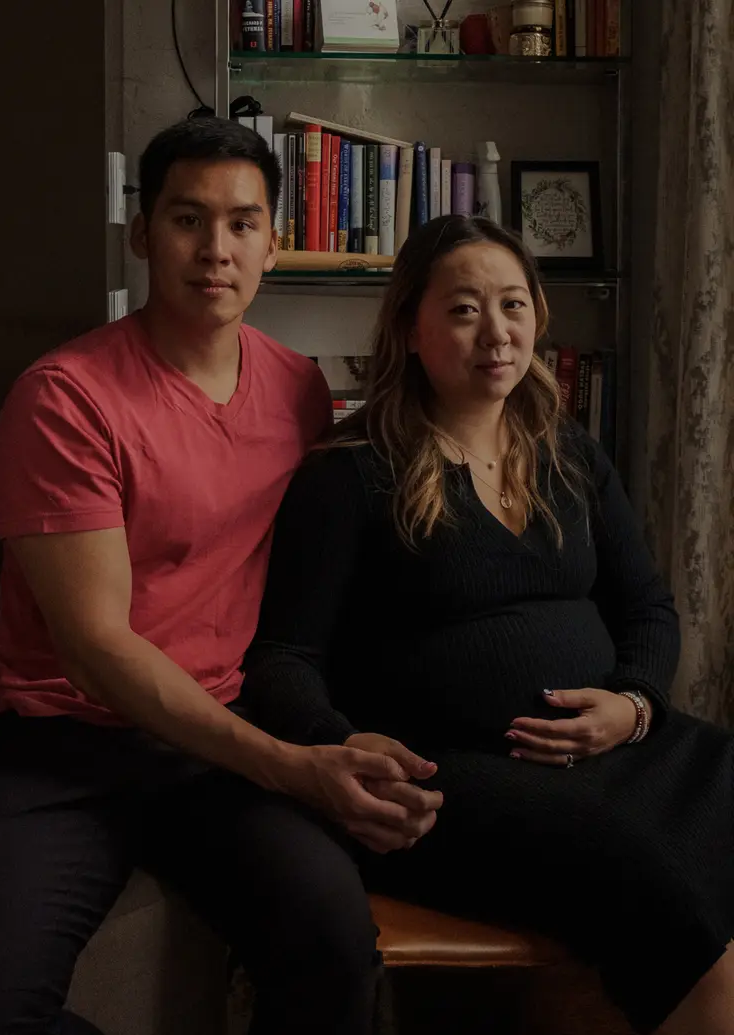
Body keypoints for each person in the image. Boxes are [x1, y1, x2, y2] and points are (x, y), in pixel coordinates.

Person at [0, 116, 442, 1035]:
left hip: (213, 746)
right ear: (140, 233)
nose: (217, 249)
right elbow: (96, 649)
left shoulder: (300, 390)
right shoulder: (65, 397)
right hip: (59, 747)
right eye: (187, 219)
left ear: (274, 246)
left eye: (244, 223)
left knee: (334, 943)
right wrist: (293, 767)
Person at [244, 214, 734, 1035]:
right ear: (411, 325)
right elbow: (283, 656)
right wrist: (337, 740)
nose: (496, 332)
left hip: (614, 755)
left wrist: (635, 705)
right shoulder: (352, 469)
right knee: (654, 886)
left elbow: (647, 606)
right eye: (465, 309)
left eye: (513, 304)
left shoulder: (569, 452)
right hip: (452, 776)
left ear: (539, 315)